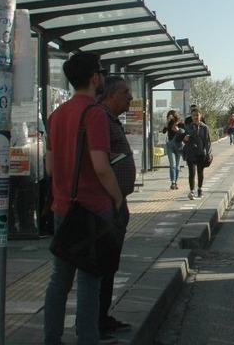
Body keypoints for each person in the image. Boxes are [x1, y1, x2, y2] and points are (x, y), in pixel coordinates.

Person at [44, 52, 123, 345]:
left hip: (63, 208)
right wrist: (117, 198)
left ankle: (51, 339)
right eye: (100, 73)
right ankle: (87, 339)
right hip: (93, 210)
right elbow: (101, 167)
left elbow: (51, 168)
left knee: (59, 282)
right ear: (93, 78)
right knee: (91, 281)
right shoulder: (95, 114)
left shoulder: (56, 116)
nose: (101, 78)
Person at [96, 76, 136, 337]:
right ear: (111, 94)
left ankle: (101, 317)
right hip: (107, 203)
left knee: (109, 264)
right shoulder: (100, 118)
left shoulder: (110, 119)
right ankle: (95, 322)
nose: (130, 98)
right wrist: (118, 200)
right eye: (126, 93)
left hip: (114, 201)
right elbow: (99, 164)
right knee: (102, 265)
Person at [182, 108, 211, 199]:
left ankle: (199, 189)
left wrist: (208, 153)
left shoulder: (205, 127)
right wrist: (185, 139)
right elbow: (184, 139)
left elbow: (207, 142)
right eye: (193, 115)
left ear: (200, 116)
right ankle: (192, 191)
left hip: (201, 153)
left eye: (197, 115)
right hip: (191, 153)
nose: (195, 117)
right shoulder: (188, 127)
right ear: (191, 116)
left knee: (200, 172)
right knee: (191, 173)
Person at [161, 110, 184, 189]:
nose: (170, 118)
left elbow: (184, 134)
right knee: (172, 165)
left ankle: (175, 181)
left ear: (175, 116)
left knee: (177, 166)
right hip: (170, 146)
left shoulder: (181, 124)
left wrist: (178, 130)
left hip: (179, 146)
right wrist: (167, 123)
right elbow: (164, 132)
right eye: (169, 116)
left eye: (172, 116)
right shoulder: (169, 124)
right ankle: (173, 182)